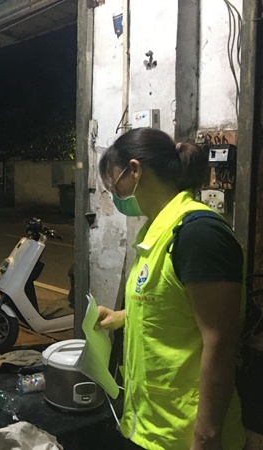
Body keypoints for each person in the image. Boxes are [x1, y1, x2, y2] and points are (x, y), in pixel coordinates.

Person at [95, 127, 245, 450]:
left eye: (113, 184)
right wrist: (122, 316)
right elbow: (171, 304)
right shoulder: (155, 231)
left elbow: (221, 342)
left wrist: (205, 438)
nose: (114, 195)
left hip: (186, 436)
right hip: (151, 427)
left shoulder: (198, 234)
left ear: (135, 170)